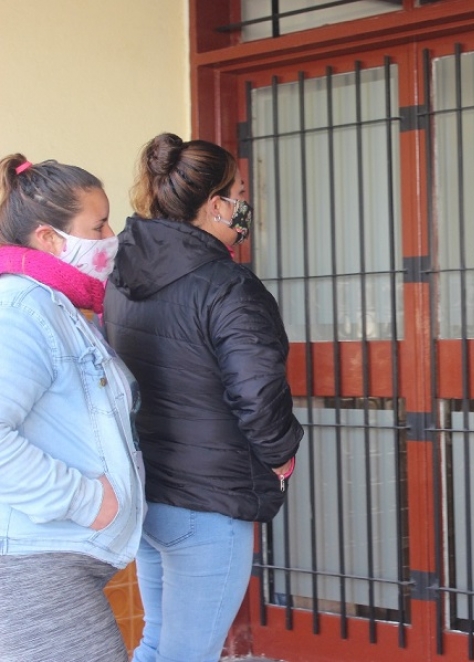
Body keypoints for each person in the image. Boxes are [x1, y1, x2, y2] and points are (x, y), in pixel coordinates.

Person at [103, 133, 303, 662]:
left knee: (155, 643)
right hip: (206, 503)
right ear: (216, 205)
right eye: (239, 191)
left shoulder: (122, 278)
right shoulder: (228, 285)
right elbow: (258, 392)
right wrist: (281, 456)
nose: (245, 203)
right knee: (188, 654)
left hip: (147, 489)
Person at [0, 154, 145, 662]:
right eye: (98, 224)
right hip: (34, 565)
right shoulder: (22, 309)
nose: (112, 235)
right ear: (49, 239)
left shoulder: (61, 306)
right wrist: (86, 501)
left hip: (56, 559)